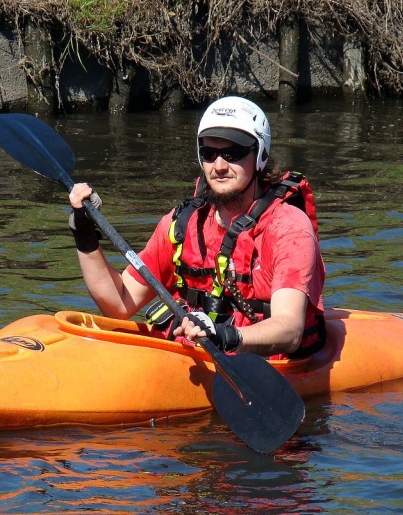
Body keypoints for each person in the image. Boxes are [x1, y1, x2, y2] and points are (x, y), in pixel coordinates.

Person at [68, 96, 326, 359]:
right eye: (209, 154)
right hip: (191, 357)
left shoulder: (288, 229)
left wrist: (225, 336)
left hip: (262, 363)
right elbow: (120, 302)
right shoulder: (182, 224)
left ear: (259, 155)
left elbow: (290, 330)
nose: (220, 166)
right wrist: (84, 234)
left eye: (233, 153)